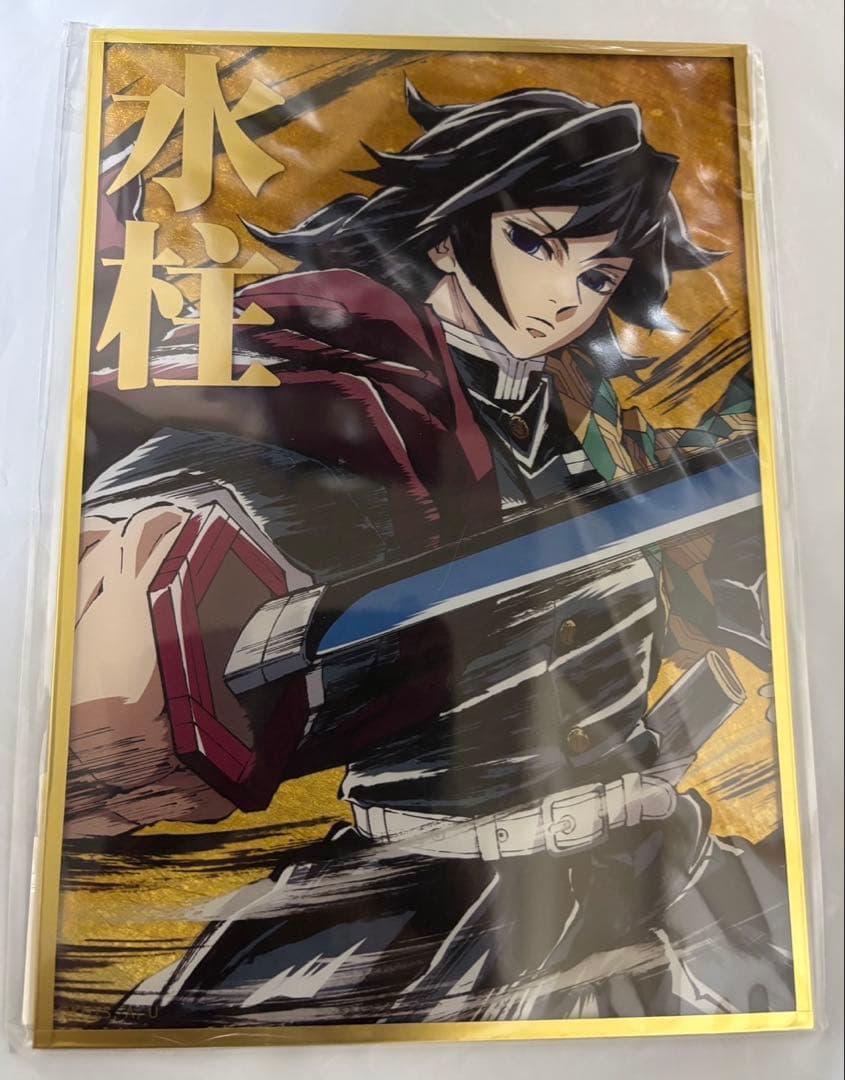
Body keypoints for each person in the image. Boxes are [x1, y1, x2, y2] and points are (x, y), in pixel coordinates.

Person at [70, 82, 793, 1025]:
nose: (561, 297)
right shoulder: (349, 401)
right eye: (535, 244)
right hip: (442, 897)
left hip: (646, 864)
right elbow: (152, 540)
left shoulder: (582, 425)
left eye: (598, 276)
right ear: (449, 237)